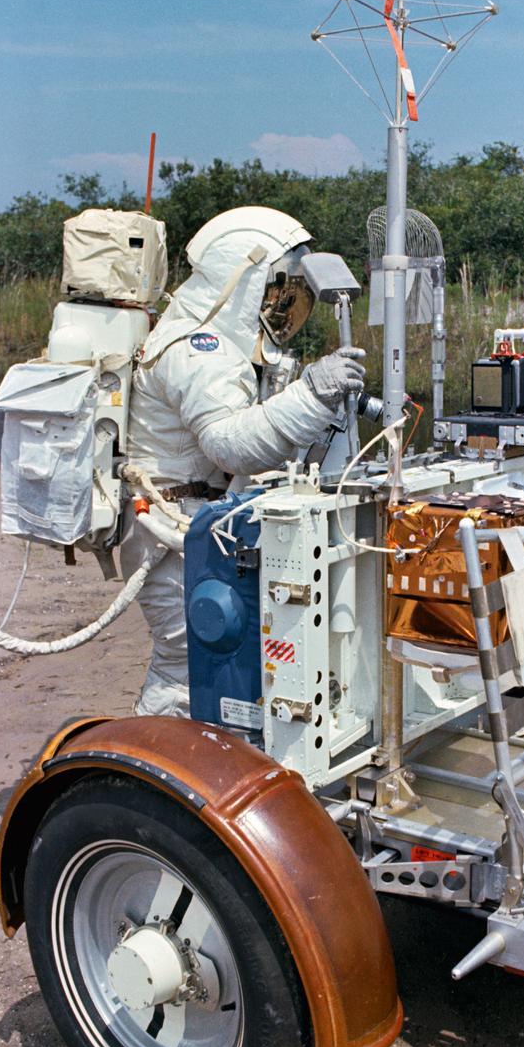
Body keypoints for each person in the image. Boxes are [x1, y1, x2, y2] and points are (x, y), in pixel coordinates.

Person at [121, 206, 365, 716]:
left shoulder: (224, 346)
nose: (285, 309)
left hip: (199, 527)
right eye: (278, 292)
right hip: (174, 533)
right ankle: (166, 773)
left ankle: (193, 764)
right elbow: (230, 444)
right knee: (191, 665)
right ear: (245, 279)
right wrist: (312, 394)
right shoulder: (196, 348)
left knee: (219, 661)